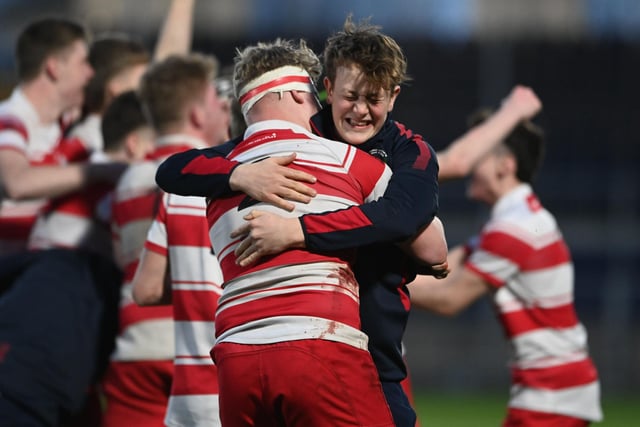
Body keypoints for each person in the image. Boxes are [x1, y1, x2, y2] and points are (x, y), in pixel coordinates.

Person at [155, 16, 542, 427]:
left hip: (375, 347)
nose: (360, 111)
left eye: (373, 99)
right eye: (350, 97)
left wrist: (299, 231)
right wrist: (238, 174)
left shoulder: (410, 152)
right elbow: (174, 170)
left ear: (393, 97)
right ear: (327, 90)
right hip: (314, 336)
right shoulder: (306, 134)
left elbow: (403, 216)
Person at [407, 110, 603, 426]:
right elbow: (444, 266)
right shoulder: (519, 219)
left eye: (479, 155)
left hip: (550, 395)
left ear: (505, 165)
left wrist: (367, 279)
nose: (468, 164)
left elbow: (449, 299)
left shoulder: (513, 229)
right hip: (558, 391)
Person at [0, 90, 155, 427]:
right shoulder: (121, 187)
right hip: (39, 362)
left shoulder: (77, 169)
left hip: (47, 357)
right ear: (134, 146)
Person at [102, 53, 230, 427]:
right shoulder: (204, 178)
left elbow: (124, 264)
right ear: (197, 115)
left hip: (135, 346)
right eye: (215, 102)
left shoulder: (126, 182)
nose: (223, 109)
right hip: (194, 344)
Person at [0, 17, 126, 257]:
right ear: (54, 67)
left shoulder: (66, 123)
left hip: (39, 275)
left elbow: (152, 98)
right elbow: (17, 183)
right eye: (84, 63)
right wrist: (101, 171)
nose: (91, 73)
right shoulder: (8, 119)